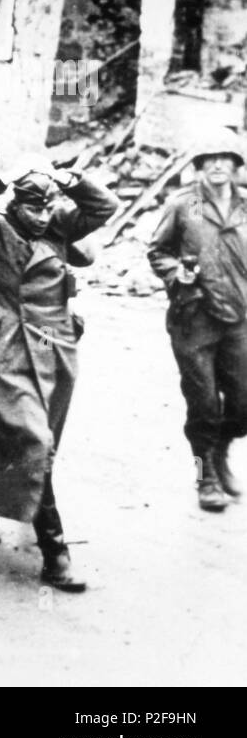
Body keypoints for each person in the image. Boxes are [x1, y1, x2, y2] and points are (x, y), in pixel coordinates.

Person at [0, 160, 117, 591]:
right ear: (14, 204)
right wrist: (2, 174)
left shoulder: (59, 225)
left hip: (52, 346)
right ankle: (55, 551)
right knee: (33, 441)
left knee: (41, 441)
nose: (42, 217)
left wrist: (71, 180)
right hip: (5, 346)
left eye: (47, 208)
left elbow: (105, 206)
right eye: (32, 208)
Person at [147, 128, 247, 512]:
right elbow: (158, 251)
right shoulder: (184, 204)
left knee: (241, 406)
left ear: (236, 166)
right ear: (199, 167)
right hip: (194, 319)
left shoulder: (244, 205)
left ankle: (220, 455)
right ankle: (205, 475)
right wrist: (177, 273)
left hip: (238, 317)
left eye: (226, 159)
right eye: (209, 159)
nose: (217, 165)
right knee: (203, 406)